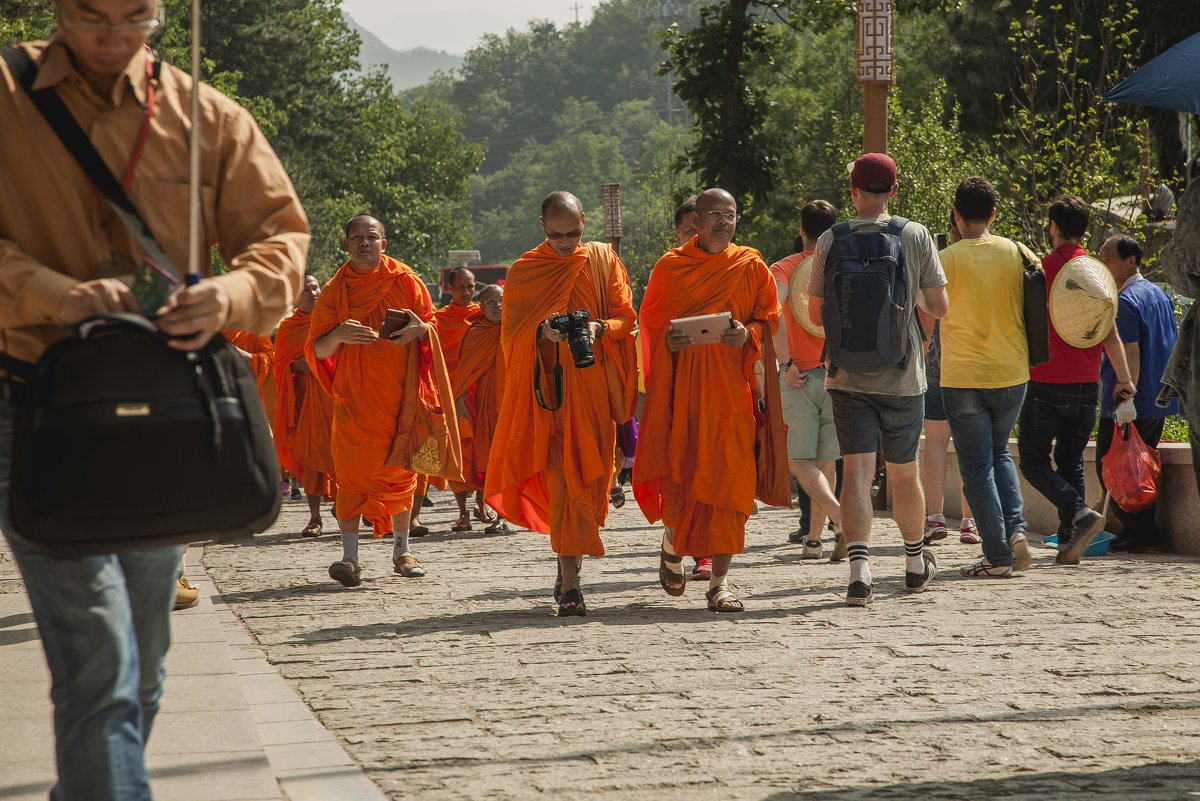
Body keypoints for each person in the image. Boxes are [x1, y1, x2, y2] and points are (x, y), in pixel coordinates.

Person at [0, 2, 309, 796]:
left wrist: (232, 294)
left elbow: (280, 235)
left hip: (166, 416)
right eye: (92, 16)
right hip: (37, 404)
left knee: (141, 661)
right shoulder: (5, 94)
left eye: (133, 16)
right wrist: (52, 294)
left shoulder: (206, 114)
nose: (112, 35)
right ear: (59, 10)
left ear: (161, 15)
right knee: (97, 662)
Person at [484, 191, 637, 616]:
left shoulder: (603, 259)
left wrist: (600, 326)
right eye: (557, 235)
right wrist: (542, 334)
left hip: (592, 396)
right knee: (564, 485)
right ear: (542, 227)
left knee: (586, 488)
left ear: (584, 222)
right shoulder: (526, 270)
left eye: (574, 233)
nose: (567, 242)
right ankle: (571, 588)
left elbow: (629, 319)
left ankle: (566, 566)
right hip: (548, 399)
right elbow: (510, 339)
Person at [806, 153, 949, 607]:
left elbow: (813, 313)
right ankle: (912, 563)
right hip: (903, 375)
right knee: (905, 474)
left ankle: (859, 572)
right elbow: (939, 305)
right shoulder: (915, 234)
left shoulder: (830, 239)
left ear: (853, 191)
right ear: (895, 191)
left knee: (856, 473)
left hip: (846, 376)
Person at [636, 187, 781, 613]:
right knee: (681, 479)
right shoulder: (671, 266)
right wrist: (669, 338)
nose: (723, 221)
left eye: (730, 214)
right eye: (714, 214)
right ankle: (672, 540)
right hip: (683, 398)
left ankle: (719, 584)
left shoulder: (750, 265)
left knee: (732, 488)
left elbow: (768, 318)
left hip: (731, 398)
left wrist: (748, 334)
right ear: (694, 222)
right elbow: (650, 324)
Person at [307, 214, 452, 586]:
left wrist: (419, 330)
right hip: (354, 401)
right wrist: (338, 333)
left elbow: (433, 326)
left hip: (399, 396)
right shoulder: (335, 290)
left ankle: (402, 550)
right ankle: (349, 557)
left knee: (401, 472)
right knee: (350, 476)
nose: (364, 244)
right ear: (346, 245)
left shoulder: (405, 280)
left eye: (371, 238)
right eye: (356, 238)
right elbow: (317, 349)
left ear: (383, 243)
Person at [1017, 195, 1136, 565]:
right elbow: (1111, 333)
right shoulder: (1094, 273)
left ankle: (1079, 513)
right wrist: (1124, 380)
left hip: (1046, 382)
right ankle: (1070, 540)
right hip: (1088, 385)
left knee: (1033, 461)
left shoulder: (1041, 270)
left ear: (1053, 227)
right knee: (1070, 462)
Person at [936, 177, 1035, 577]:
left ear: (956, 216)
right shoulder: (1017, 251)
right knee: (998, 453)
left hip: (962, 375)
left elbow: (927, 310)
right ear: (994, 214)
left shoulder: (946, 258)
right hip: (1012, 372)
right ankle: (1016, 531)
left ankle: (997, 556)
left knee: (975, 466)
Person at [768, 200, 844, 561]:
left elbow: (774, 312)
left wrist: (784, 363)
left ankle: (840, 516)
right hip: (835, 371)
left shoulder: (783, 268)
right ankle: (814, 541)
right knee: (826, 460)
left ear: (802, 232)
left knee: (799, 460)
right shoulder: (840, 265)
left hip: (798, 374)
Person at [1096, 234, 1179, 551]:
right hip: (1157, 398)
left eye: (1109, 258)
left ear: (1131, 260)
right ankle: (1136, 533)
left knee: (1113, 467)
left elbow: (1130, 352)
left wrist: (1126, 398)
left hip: (1132, 400)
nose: (1103, 263)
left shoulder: (1127, 301)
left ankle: (1145, 534)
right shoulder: (1158, 294)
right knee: (1139, 468)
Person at [274, 274, 337, 537]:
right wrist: (304, 365)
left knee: (345, 453)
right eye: (305, 290)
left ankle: (352, 507)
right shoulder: (288, 327)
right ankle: (314, 518)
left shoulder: (333, 320)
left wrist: (316, 362)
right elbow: (281, 366)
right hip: (307, 401)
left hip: (337, 396)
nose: (312, 293)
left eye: (315, 288)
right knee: (311, 458)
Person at [435, 266, 495, 531]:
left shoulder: (483, 316)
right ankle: (463, 513)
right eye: (460, 287)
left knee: (482, 449)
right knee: (457, 454)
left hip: (480, 393)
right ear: (450, 288)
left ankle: (482, 504)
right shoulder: (439, 319)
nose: (466, 292)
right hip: (451, 393)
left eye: (470, 287)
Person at [451, 283, 508, 534]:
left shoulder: (515, 329)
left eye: (501, 301)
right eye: (490, 302)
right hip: (481, 405)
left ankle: (502, 514)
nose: (497, 306)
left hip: (510, 403)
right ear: (481, 306)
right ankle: (473, 510)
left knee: (505, 459)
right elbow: (464, 372)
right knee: (479, 456)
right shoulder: (475, 332)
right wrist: (460, 400)